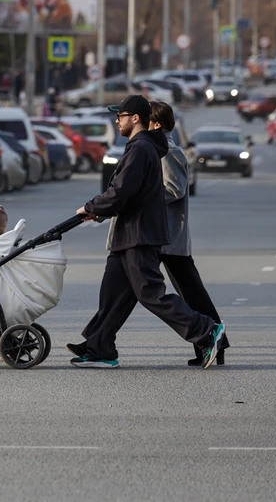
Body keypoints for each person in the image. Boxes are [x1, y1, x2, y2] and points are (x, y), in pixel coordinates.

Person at [69, 94, 226, 369]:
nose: (116, 121)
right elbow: (125, 191)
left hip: (140, 233)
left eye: (120, 116)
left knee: (151, 293)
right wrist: (100, 210)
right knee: (114, 294)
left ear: (135, 118)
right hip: (128, 233)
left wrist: (93, 207)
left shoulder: (142, 149)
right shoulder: (139, 147)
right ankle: (99, 348)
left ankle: (206, 330)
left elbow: (124, 191)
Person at [150, 101, 229, 365]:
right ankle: (99, 340)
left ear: (156, 123)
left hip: (170, 235)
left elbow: (174, 189)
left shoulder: (168, 151)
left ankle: (215, 341)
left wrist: (141, 198)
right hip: (162, 235)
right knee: (188, 290)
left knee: (192, 292)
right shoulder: (159, 149)